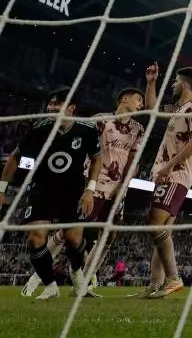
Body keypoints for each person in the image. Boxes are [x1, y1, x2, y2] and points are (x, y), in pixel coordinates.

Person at [21, 66, 158, 299]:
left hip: (116, 189)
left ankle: (86, 282)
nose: (141, 104)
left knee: (109, 236)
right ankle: (38, 277)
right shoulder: (99, 121)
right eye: (138, 99)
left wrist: (123, 188)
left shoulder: (138, 129)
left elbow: (133, 160)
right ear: (124, 99)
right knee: (69, 233)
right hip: (91, 185)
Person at [0, 88, 102, 300]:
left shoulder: (87, 129)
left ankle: (76, 272)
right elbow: (14, 158)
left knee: (74, 239)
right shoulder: (39, 127)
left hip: (72, 191)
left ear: (71, 108)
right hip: (42, 188)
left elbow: (96, 159)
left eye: (57, 104)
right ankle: (50, 286)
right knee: (35, 237)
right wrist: (1, 189)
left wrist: (90, 190)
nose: (51, 108)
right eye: (50, 104)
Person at [140, 66, 192, 299]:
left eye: (175, 81)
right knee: (163, 231)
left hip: (175, 175)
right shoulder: (179, 109)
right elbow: (152, 109)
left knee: (154, 225)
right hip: (169, 174)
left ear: (185, 85)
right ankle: (155, 284)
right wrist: (151, 82)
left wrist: (167, 167)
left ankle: (173, 278)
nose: (172, 85)